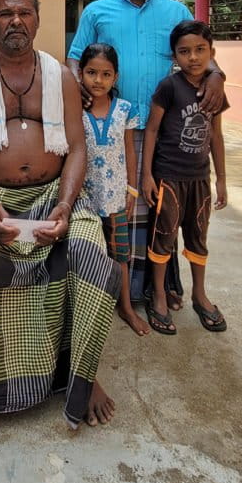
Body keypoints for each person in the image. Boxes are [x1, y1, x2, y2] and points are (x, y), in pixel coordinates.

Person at [0, 0, 119, 441]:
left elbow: (77, 148)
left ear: (39, 19)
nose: (16, 21)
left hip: (55, 194)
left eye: (25, 12)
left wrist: (65, 205)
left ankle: (80, 373)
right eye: (5, 13)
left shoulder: (61, 76)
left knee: (89, 259)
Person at [67, 0, 226, 312]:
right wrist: (79, 86)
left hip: (166, 132)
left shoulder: (174, 13)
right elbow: (74, 58)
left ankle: (164, 286)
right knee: (122, 207)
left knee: (164, 211)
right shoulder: (96, 13)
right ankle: (116, 290)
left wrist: (218, 74)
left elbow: (199, 51)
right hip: (113, 131)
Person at [140, 20, 229, 335]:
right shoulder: (169, 87)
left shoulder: (215, 88)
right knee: (163, 237)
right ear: (174, 57)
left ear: (212, 52)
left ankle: (200, 296)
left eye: (200, 50)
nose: (193, 57)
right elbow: (151, 130)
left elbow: (216, 136)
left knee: (198, 238)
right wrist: (147, 174)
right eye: (184, 51)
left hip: (200, 180)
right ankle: (160, 297)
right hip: (168, 178)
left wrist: (221, 180)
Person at [76, 43, 149, 337]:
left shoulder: (124, 110)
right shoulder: (74, 109)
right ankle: (89, 306)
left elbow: (130, 152)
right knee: (89, 253)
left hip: (117, 196)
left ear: (116, 77)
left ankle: (126, 307)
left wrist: (132, 190)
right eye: (91, 72)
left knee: (120, 254)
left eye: (106, 74)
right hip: (85, 198)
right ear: (80, 73)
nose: (98, 80)